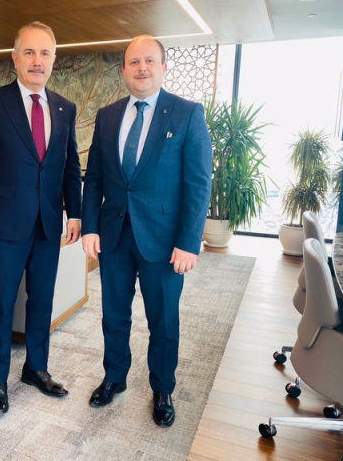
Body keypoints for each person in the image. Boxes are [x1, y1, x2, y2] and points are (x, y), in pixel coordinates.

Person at [80, 35, 212, 427]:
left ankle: (163, 387)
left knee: (163, 320)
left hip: (165, 240)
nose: (142, 68)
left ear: (163, 67)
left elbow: (198, 183)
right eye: (134, 62)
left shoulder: (187, 113)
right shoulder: (107, 115)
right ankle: (114, 377)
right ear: (124, 70)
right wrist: (90, 227)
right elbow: (95, 178)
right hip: (114, 236)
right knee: (113, 315)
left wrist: (189, 242)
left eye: (149, 61)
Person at [0, 21, 83, 416]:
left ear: (53, 60)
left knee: (42, 299)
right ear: (15, 58)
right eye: (29, 52)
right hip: (5, 223)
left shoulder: (64, 108)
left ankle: (36, 368)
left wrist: (76, 213)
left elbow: (69, 166)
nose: (37, 60)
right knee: (2, 302)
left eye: (44, 53)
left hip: (48, 223)